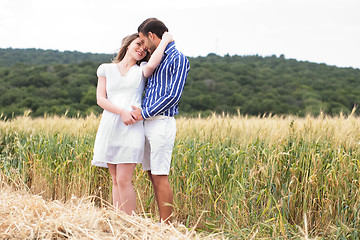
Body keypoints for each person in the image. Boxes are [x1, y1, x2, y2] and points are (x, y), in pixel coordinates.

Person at [92, 32, 173, 215]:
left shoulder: (142, 70)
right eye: (138, 44)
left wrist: (166, 40)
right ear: (128, 45)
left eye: (145, 49)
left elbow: (154, 62)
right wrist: (121, 112)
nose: (141, 50)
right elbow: (100, 99)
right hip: (111, 124)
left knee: (124, 179)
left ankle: (130, 224)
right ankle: (118, 221)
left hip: (131, 126)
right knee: (114, 179)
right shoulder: (105, 68)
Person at [131, 18, 190, 223]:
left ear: (152, 36)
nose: (143, 46)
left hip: (161, 122)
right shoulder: (157, 58)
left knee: (160, 175)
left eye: (143, 40)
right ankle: (161, 222)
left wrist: (144, 113)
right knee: (151, 175)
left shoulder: (179, 58)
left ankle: (167, 227)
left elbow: (173, 95)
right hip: (146, 122)